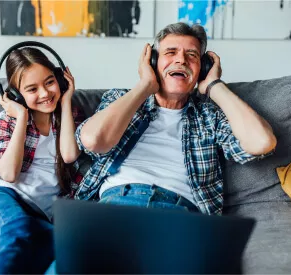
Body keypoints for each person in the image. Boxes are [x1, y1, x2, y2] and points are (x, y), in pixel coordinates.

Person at [74, 22, 277, 215]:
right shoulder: (120, 99)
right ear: (152, 62)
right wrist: (145, 85)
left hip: (180, 214)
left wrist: (214, 85)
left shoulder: (209, 116)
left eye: (192, 55)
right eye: (171, 53)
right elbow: (93, 141)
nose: (181, 60)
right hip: (117, 205)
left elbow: (262, 142)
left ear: (202, 69)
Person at [0, 46, 83, 274]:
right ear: (17, 95)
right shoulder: (7, 120)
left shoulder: (69, 116)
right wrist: (21, 116)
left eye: (50, 82)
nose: (44, 93)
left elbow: (69, 155)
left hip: (43, 211)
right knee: (18, 229)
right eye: (32, 89)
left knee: (63, 252)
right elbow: (9, 174)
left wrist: (67, 99)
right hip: (2, 194)